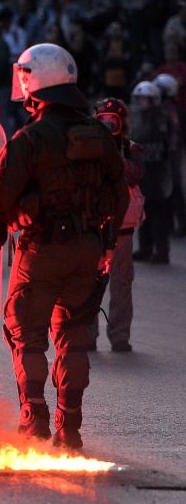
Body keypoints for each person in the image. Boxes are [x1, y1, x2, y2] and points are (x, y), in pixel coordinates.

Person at [0, 43, 128, 450]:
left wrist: (4, 230)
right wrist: (105, 243)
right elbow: (120, 194)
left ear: (33, 80)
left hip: (42, 251)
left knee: (28, 333)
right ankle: (69, 426)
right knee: (73, 334)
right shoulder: (99, 135)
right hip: (89, 249)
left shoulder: (30, 139)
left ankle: (33, 418)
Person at [91, 98, 144, 353]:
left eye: (113, 121)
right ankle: (87, 334)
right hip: (94, 224)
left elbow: (136, 174)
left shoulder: (131, 149)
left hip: (122, 226)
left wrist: (117, 156)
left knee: (122, 282)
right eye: (102, 122)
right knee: (90, 281)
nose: (107, 127)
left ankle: (120, 335)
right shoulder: (88, 148)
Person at [130, 81, 175, 264]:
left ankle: (161, 251)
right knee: (144, 211)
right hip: (145, 171)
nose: (141, 103)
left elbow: (164, 147)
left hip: (157, 172)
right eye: (139, 99)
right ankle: (146, 248)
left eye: (145, 100)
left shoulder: (161, 120)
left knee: (157, 213)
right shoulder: (141, 119)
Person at [152, 73, 186, 237]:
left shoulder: (170, 108)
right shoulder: (165, 106)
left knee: (173, 186)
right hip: (168, 150)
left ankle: (181, 223)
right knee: (167, 186)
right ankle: (170, 223)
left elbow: (174, 133)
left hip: (171, 152)